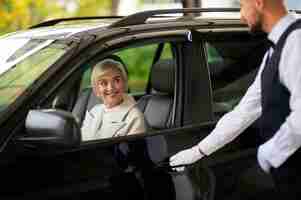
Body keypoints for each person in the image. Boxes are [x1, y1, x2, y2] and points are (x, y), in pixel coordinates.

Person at [170, 0, 301, 198]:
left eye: (242, 5)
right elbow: (244, 112)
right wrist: (199, 151)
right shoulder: (275, 50)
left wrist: (269, 153)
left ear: (258, 3)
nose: (241, 15)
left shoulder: (297, 42)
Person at [81, 58, 146, 141]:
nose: (111, 88)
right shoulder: (94, 110)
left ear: (124, 83)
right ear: (96, 90)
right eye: (103, 83)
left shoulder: (134, 117)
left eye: (116, 80)